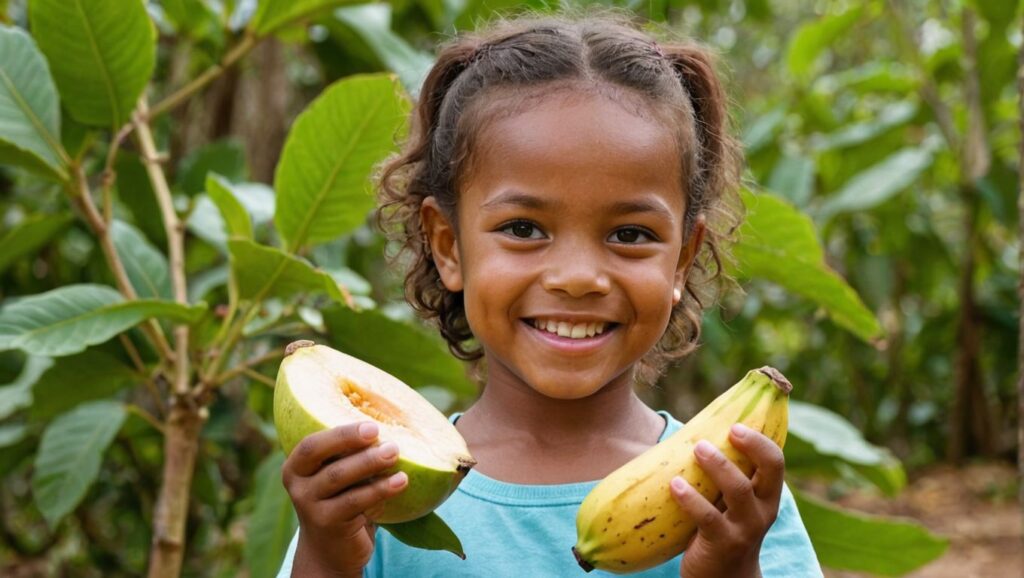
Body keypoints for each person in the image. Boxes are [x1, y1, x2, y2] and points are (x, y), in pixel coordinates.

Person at [276, 7, 822, 577]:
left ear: (682, 259)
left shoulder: (728, 493)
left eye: (629, 234)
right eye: (523, 229)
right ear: (448, 246)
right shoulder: (381, 491)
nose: (578, 276)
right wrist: (326, 556)